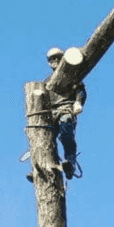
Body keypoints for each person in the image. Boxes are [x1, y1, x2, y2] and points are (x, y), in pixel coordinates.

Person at [27, 47, 87, 182]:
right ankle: (41, 168)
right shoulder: (46, 82)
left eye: (57, 58)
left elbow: (80, 90)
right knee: (43, 139)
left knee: (66, 133)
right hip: (50, 114)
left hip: (65, 109)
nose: (54, 60)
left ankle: (70, 162)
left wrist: (78, 103)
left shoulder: (70, 75)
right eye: (51, 59)